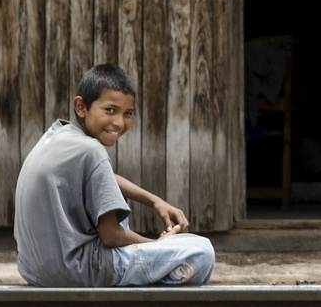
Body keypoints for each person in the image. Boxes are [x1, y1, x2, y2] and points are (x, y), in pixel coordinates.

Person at [14, 63, 215, 287]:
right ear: (81, 107)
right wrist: (157, 245)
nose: (119, 122)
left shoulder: (57, 134)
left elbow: (104, 178)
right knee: (202, 251)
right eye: (110, 110)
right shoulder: (92, 150)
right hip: (79, 270)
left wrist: (155, 201)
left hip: (34, 270)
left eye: (127, 113)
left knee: (115, 195)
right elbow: (111, 235)